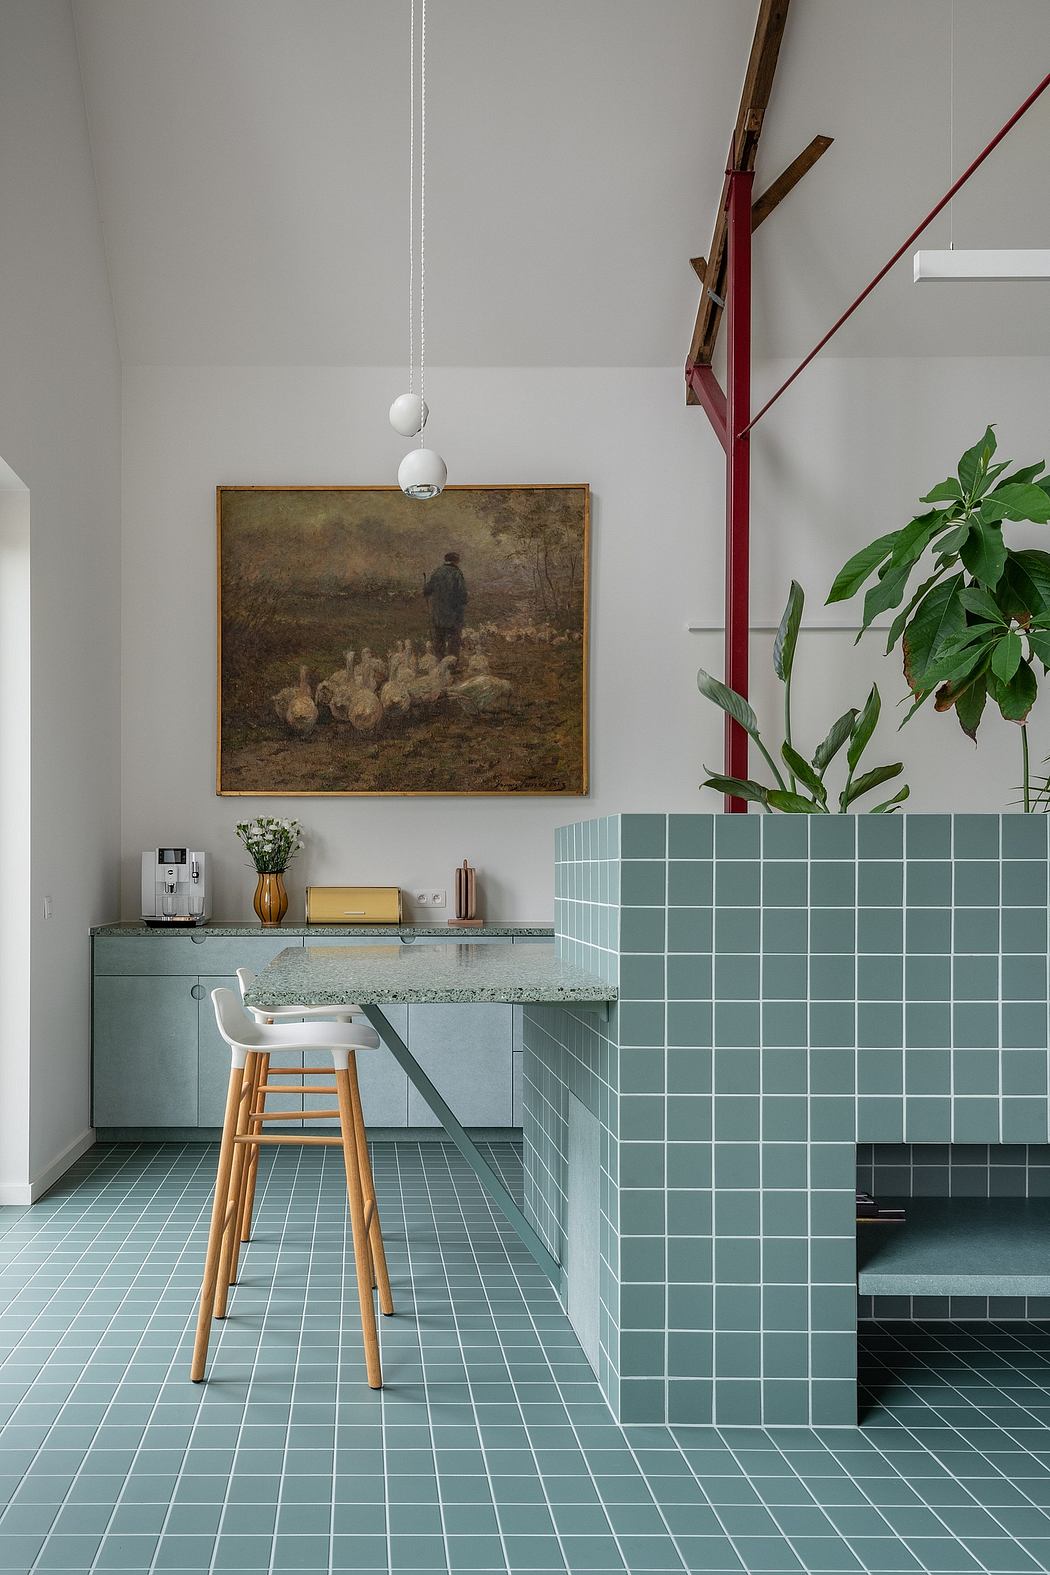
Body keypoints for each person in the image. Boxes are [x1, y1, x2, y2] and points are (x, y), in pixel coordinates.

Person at [423, 551, 468, 659]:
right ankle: (451, 666)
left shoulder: (437, 572)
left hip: (438, 614)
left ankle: (440, 664)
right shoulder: (457, 573)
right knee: (454, 640)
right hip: (453, 615)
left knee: (439, 640)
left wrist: (425, 587)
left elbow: (427, 591)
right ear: (456, 561)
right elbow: (463, 595)